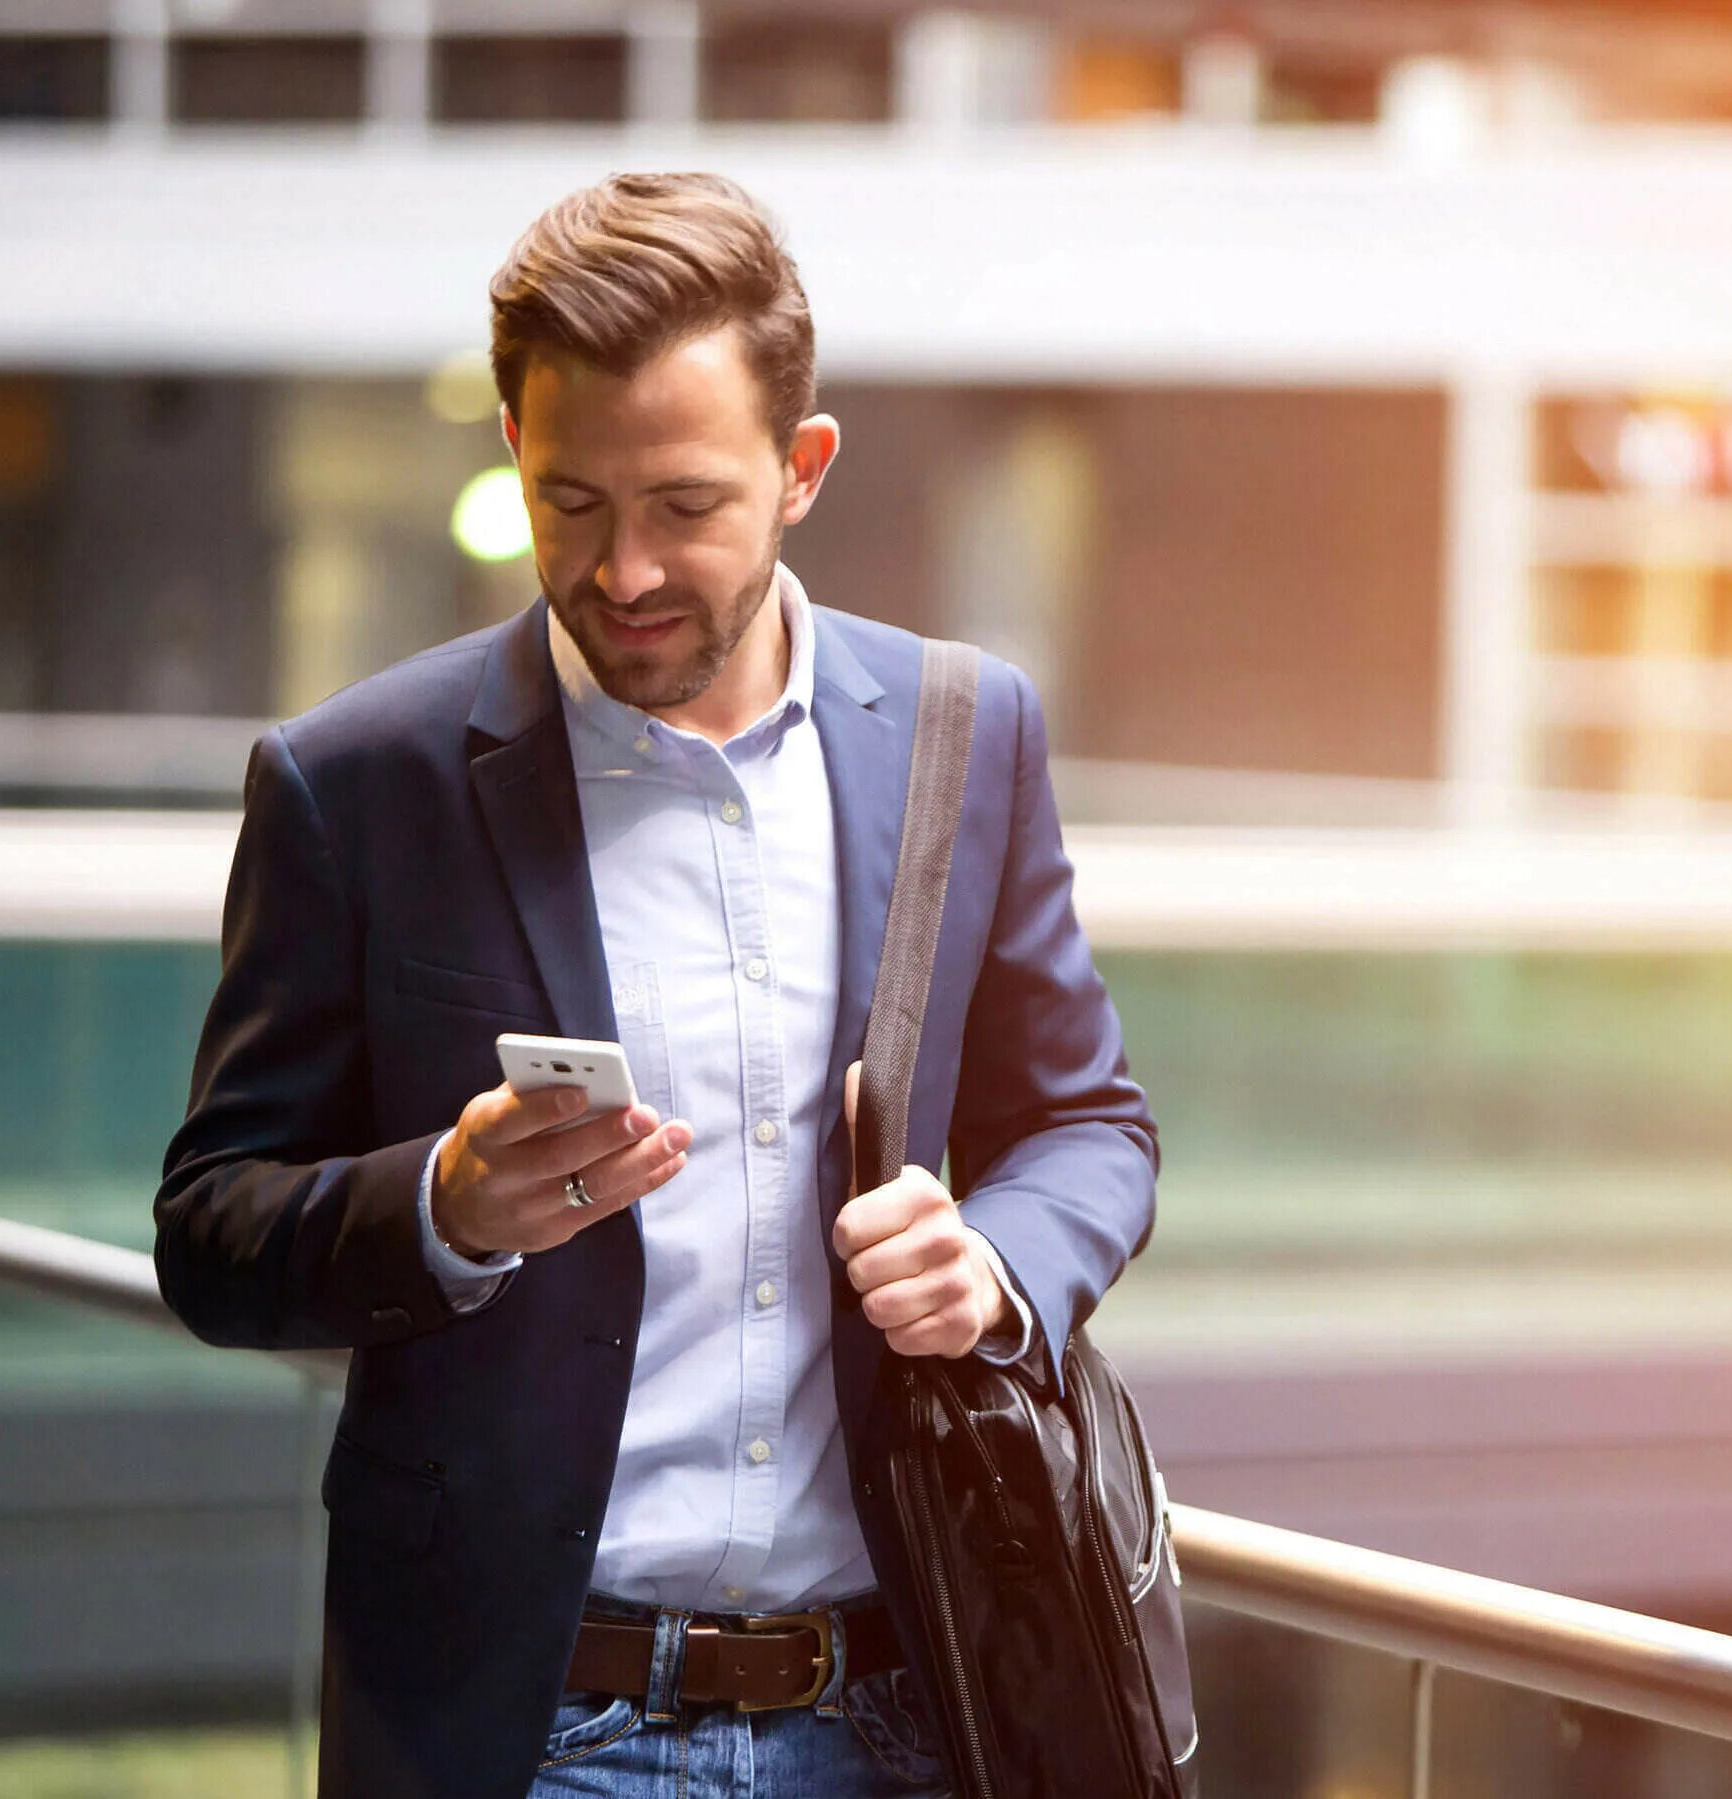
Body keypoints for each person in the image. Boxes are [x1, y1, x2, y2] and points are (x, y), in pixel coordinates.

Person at [152, 170, 1159, 1799]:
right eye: (573, 502)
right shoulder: (360, 782)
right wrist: (444, 1207)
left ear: (802, 469)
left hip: (909, 1710)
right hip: (535, 1727)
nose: (621, 571)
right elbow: (210, 1233)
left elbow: (1091, 1125)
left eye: (685, 507)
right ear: (514, 454)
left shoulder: (966, 738)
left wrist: (995, 1262)